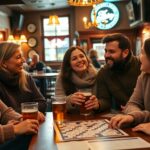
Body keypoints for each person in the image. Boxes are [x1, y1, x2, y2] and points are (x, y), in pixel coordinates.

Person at [109, 38, 150, 135]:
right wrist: (133, 116)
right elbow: (131, 104)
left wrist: (134, 117)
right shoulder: (144, 76)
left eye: (142, 53)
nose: (139, 57)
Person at [95, 33, 141, 112]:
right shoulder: (103, 73)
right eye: (106, 51)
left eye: (111, 52)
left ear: (125, 53)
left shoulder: (141, 66)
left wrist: (133, 109)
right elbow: (105, 100)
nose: (106, 55)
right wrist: (98, 104)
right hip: (121, 116)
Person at [0, 42, 46, 116]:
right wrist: (29, 110)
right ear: (4, 63)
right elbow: (3, 115)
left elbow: (43, 104)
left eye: (22, 56)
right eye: (18, 57)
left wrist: (20, 111)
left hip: (33, 125)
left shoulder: (26, 77)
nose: (24, 61)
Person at [55, 46, 100, 113]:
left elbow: (104, 100)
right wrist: (69, 100)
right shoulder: (62, 77)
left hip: (94, 117)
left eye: (82, 56)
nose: (79, 60)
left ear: (87, 59)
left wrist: (98, 104)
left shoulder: (97, 75)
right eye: (74, 59)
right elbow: (57, 100)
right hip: (71, 118)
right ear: (69, 64)